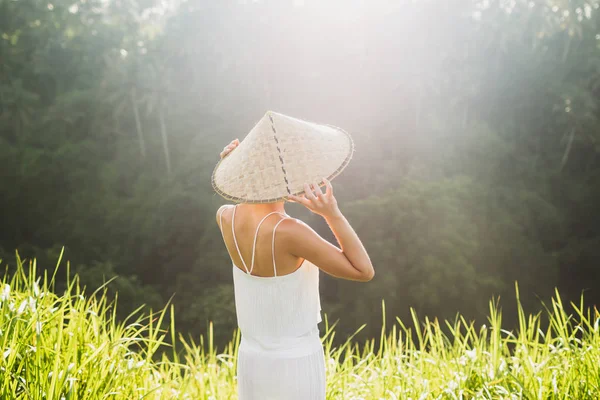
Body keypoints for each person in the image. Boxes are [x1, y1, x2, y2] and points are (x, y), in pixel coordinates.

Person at [214, 112, 374, 400]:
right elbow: (363, 270)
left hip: (252, 360)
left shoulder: (225, 217)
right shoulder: (290, 232)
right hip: (294, 365)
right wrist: (331, 213)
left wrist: (236, 169)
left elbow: (246, 202)